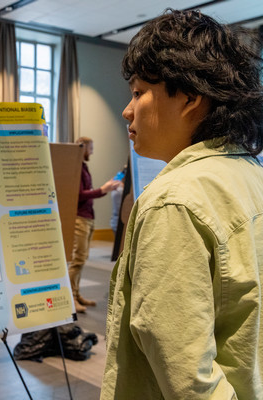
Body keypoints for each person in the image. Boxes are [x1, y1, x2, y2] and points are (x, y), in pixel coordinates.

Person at [102, 9, 263, 399]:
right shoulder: (250, 174)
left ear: (190, 97)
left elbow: (187, 374)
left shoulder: (173, 200)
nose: (127, 110)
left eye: (139, 92)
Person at [68, 137, 120, 313]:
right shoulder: (75, 168)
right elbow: (79, 194)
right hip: (80, 218)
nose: (92, 151)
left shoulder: (83, 166)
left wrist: (105, 190)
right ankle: (70, 298)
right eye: (91, 148)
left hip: (87, 217)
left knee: (82, 259)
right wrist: (102, 190)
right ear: (82, 148)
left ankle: (76, 293)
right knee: (78, 259)